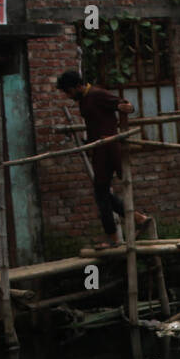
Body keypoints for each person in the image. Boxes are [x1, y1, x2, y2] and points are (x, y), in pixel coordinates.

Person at [56, 69, 149, 249]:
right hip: (99, 149)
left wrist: (125, 108)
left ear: (77, 86)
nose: (68, 96)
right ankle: (138, 219)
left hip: (108, 148)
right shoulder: (84, 99)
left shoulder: (97, 94)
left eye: (68, 92)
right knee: (102, 193)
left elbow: (125, 105)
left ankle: (114, 237)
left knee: (101, 194)